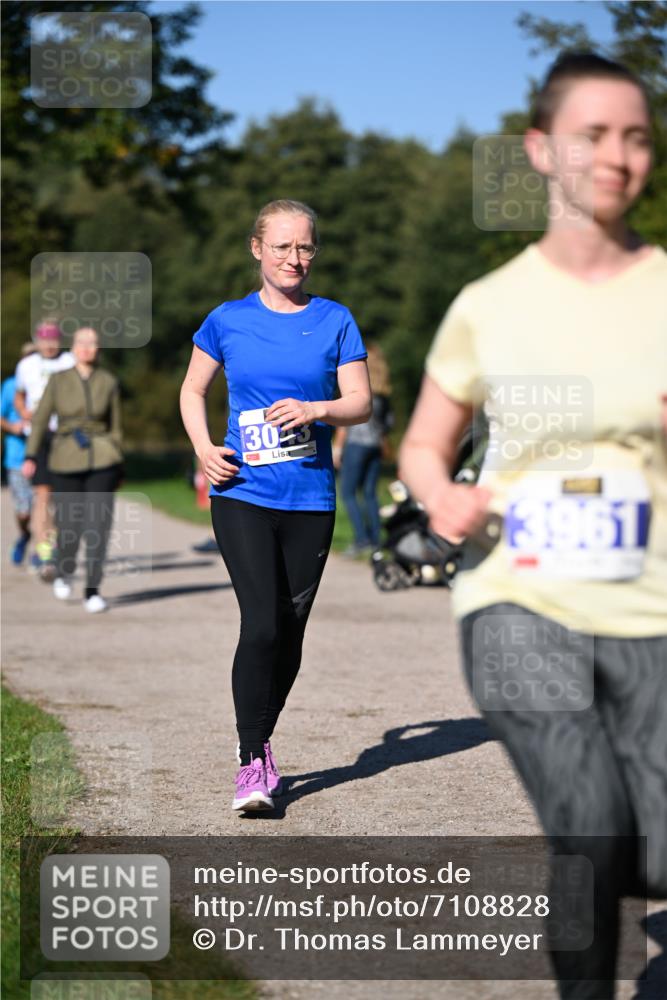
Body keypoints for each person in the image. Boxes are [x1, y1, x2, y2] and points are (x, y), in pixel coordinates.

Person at [399, 53, 666, 999]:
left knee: (654, 854)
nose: (616, 155)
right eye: (592, 134)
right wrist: (442, 496)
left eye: (635, 135)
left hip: (649, 606)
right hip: (519, 595)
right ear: (541, 149)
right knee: (590, 822)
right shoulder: (490, 306)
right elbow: (424, 446)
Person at [180, 199, 371, 813]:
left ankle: (261, 742)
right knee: (260, 622)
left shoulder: (335, 319)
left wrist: (317, 410)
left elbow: (360, 402)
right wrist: (204, 447)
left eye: (306, 247)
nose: (296, 258)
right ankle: (251, 757)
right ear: (257, 249)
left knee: (288, 634)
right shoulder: (227, 320)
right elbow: (193, 389)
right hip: (242, 492)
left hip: (310, 498)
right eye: (284, 246)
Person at [22, 327, 123, 614]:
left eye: (93, 343)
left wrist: (119, 462)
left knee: (98, 526)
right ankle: (64, 570)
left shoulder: (109, 381)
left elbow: (116, 427)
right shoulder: (58, 380)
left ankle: (93, 589)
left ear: (99, 349)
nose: (88, 348)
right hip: (65, 456)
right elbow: (40, 420)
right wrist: (31, 454)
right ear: (74, 347)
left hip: (103, 456)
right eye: (82, 343)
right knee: (69, 526)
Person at [14, 320, 75, 578]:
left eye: (53, 339)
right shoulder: (26, 365)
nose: (49, 344)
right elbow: (19, 395)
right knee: (43, 496)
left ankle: (57, 545)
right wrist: (25, 413)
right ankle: (44, 553)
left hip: (66, 436)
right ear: (37, 341)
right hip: (39, 436)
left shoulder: (70, 361)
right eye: (44, 339)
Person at [334, 341, 394, 557]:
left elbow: (345, 422)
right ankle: (377, 540)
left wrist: (337, 448)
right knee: (370, 494)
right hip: (375, 446)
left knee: (348, 492)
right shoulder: (383, 397)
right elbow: (389, 424)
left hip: (356, 445)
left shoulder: (357, 391)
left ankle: (361, 539)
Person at [1, 343, 37, 564]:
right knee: (24, 511)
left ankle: (43, 552)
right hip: (17, 457)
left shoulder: (51, 384)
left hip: (47, 456)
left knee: (47, 508)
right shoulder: (10, 386)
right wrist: (14, 427)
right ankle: (25, 535)